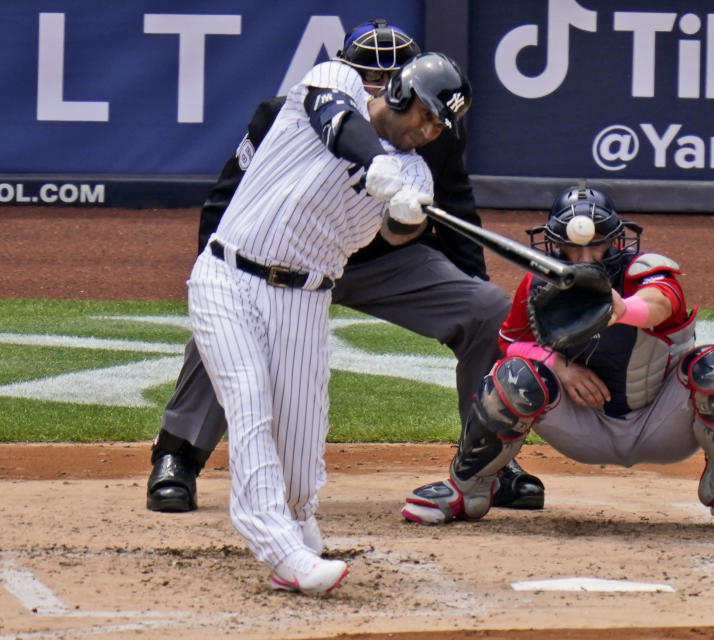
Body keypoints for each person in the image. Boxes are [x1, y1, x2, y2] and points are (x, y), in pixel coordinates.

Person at [147, 19, 544, 517]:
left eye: (390, 76)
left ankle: (488, 464)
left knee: (487, 308)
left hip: (382, 263)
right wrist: (221, 284)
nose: (377, 87)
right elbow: (225, 203)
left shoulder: (433, 137)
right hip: (281, 257)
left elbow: (458, 218)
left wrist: (464, 274)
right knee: (232, 315)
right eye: (368, 75)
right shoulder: (288, 109)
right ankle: (177, 456)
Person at [188, 50, 471, 594]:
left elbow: (390, 236)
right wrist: (375, 164)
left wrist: (406, 214)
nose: (431, 130)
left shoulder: (414, 171)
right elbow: (335, 120)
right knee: (249, 402)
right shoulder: (332, 79)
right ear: (398, 93)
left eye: (441, 124)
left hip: (305, 300)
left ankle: (294, 519)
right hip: (228, 276)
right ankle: (278, 548)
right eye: (428, 115)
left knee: (299, 440)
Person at [401, 185, 714, 534]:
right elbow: (510, 342)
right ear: (554, 244)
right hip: (583, 427)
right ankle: (468, 489)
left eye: (596, 246)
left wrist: (622, 308)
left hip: (663, 422)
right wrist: (559, 366)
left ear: (615, 240)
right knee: (513, 376)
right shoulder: (539, 285)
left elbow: (661, 303)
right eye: (571, 248)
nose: (583, 258)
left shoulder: (647, 271)